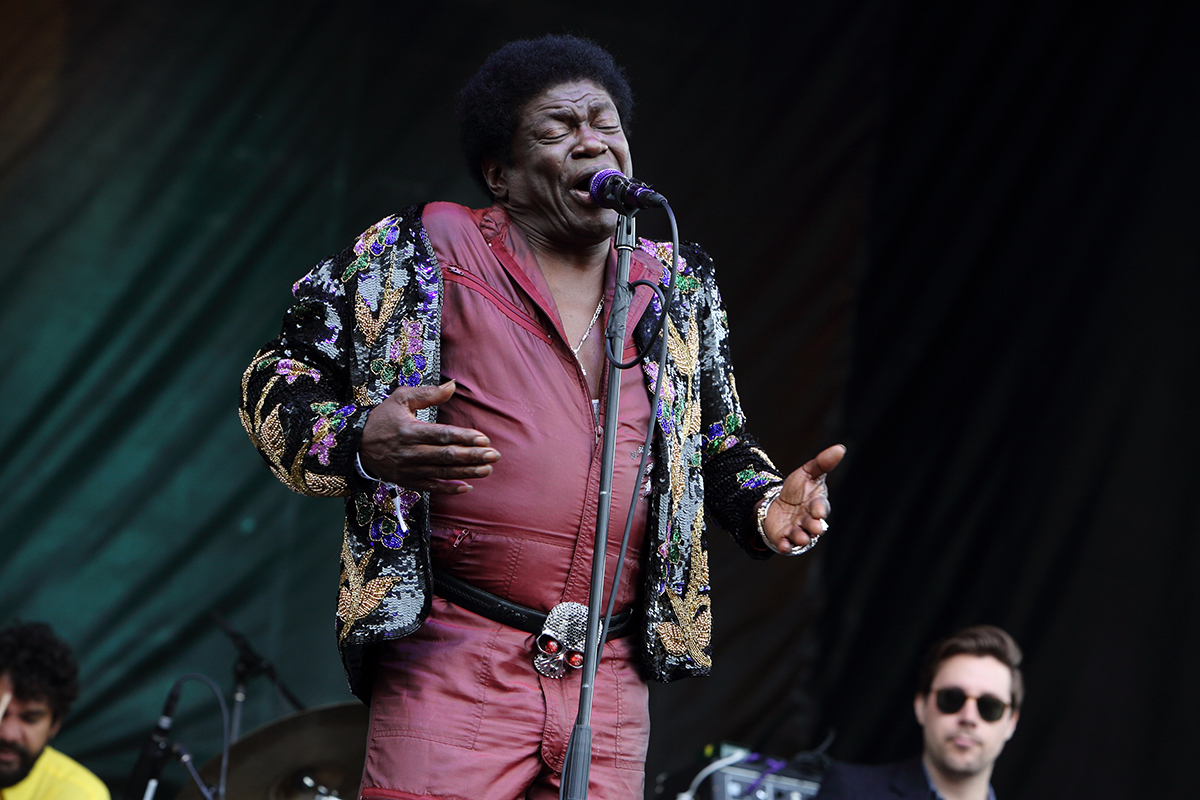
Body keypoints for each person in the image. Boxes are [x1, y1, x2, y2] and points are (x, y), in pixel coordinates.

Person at [240, 34, 844, 800]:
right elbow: (277, 377)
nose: (593, 138)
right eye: (559, 127)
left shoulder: (676, 284)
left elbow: (714, 442)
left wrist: (764, 508)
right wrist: (363, 441)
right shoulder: (426, 248)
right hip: (455, 655)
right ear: (502, 175)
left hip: (608, 669)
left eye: (605, 121)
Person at [816, 625, 1023, 800]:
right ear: (921, 707)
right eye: (951, 699)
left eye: (989, 706)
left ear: (1011, 723)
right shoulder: (850, 790)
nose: (968, 717)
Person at [0, 622, 109, 800]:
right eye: (1, 713)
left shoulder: (78, 794)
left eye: (30, 719)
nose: (8, 734)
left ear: (54, 724)